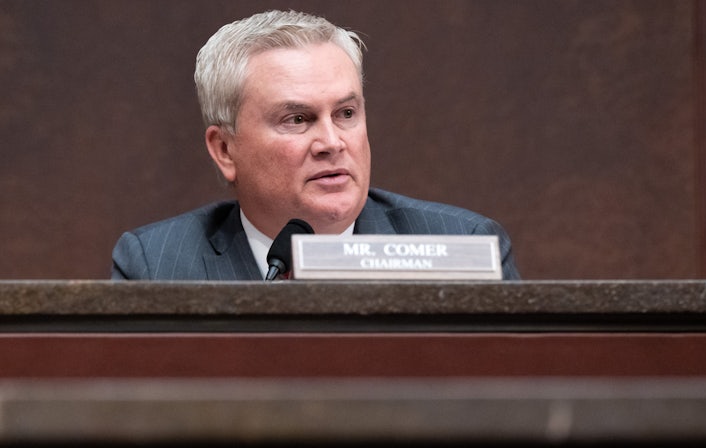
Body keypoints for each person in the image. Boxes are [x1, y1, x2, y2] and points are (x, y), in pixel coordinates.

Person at [111, 10, 520, 280]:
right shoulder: (156, 265)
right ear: (224, 150)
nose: (331, 142)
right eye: (297, 119)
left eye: (345, 114)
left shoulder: (464, 247)